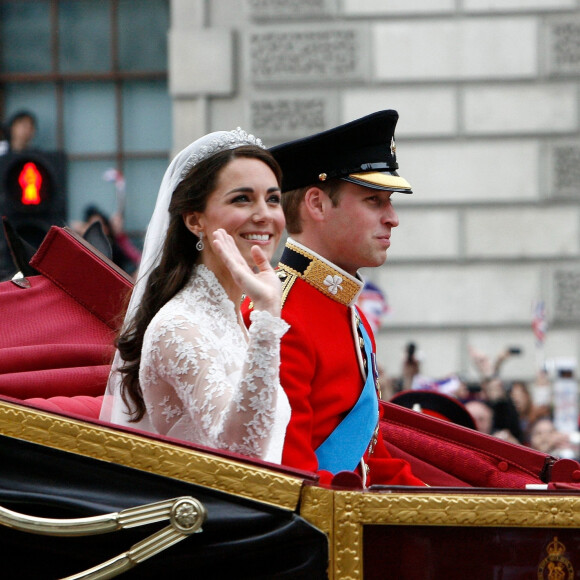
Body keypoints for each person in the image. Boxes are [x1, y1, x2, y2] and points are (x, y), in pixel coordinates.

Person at [243, 110, 424, 487]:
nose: (392, 218)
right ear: (317, 204)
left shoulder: (349, 315)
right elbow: (291, 480)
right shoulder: (277, 317)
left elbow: (371, 461)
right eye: (374, 201)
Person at [100, 128, 291, 463]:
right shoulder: (178, 326)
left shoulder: (229, 317)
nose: (264, 214)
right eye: (241, 199)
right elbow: (242, 455)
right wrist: (267, 315)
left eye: (273, 199)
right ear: (194, 220)